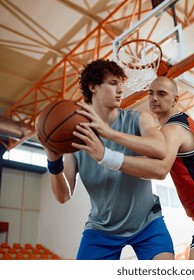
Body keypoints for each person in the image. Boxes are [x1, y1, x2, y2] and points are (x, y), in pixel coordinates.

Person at [94, 76, 194, 260]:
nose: (154, 98)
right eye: (150, 93)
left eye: (161, 93)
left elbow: (160, 169)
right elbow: (146, 162)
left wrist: (108, 155)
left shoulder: (174, 129)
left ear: (175, 99)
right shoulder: (171, 129)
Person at [40, 59, 175, 260]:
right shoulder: (76, 135)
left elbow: (160, 148)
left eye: (121, 83)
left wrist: (110, 134)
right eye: (113, 83)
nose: (120, 89)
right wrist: (53, 163)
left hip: (147, 222)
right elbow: (63, 196)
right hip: (101, 229)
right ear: (92, 86)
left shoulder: (138, 119)